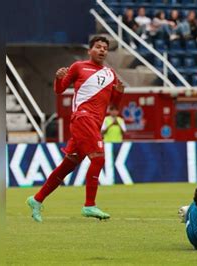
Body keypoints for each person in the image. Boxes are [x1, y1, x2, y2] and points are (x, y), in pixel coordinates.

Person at [26, 36, 124, 222]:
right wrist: (57, 78)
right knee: (98, 158)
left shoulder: (110, 73)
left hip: (95, 123)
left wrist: (119, 93)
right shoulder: (78, 67)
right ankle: (89, 205)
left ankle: (36, 199)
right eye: (98, 47)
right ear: (90, 50)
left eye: (105, 48)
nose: (102, 50)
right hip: (82, 118)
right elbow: (59, 90)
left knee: (67, 166)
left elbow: (113, 106)